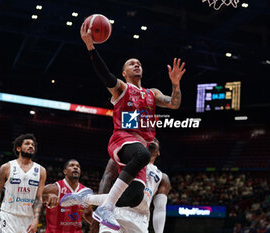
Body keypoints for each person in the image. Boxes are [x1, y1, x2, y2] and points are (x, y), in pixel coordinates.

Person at [63, 22, 185, 230]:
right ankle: (106, 207)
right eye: (131, 64)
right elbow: (105, 75)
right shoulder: (122, 88)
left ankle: (88, 198)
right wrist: (91, 47)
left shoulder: (152, 93)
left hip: (140, 148)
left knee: (135, 196)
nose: (136, 65)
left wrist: (175, 83)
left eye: (139, 63)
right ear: (124, 71)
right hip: (122, 139)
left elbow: (174, 103)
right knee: (143, 156)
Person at [98, 138, 171, 233]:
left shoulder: (163, 177)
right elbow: (105, 181)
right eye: (150, 138)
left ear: (158, 153)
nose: (153, 140)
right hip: (116, 211)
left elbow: (160, 209)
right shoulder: (122, 158)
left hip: (140, 219)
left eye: (157, 140)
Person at [0, 133, 46, 233]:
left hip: (28, 218)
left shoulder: (41, 171)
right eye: (27, 144)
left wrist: (36, 219)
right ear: (18, 148)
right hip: (8, 216)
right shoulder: (6, 168)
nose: (31, 146)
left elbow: (38, 199)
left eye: (33, 145)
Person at [42, 159, 96, 233]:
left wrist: (99, 227)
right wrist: (47, 196)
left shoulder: (85, 191)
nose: (75, 167)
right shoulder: (55, 188)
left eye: (78, 166)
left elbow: (88, 214)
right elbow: (34, 198)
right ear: (65, 171)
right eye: (72, 166)